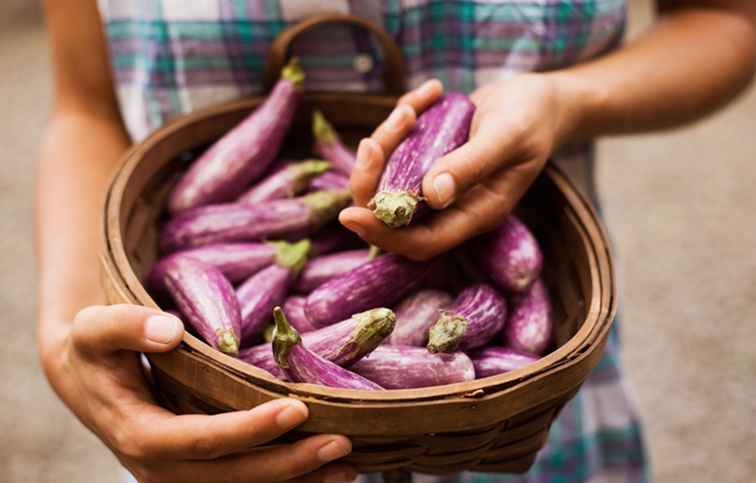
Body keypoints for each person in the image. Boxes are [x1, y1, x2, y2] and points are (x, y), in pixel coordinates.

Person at [37, 1, 755, 482]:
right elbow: (84, 108)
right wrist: (69, 343)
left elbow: (726, 16)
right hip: (222, 425)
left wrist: (565, 100)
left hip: (525, 402)